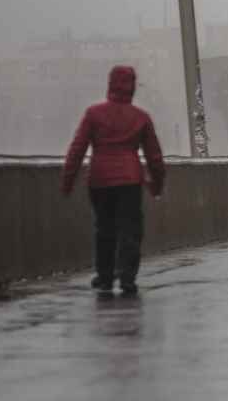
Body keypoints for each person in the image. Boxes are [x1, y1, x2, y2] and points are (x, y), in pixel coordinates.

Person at [60, 65, 165, 298]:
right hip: (130, 179)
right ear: (132, 86)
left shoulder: (93, 114)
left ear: (110, 84)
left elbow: (77, 149)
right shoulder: (140, 117)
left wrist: (68, 180)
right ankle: (127, 277)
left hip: (99, 180)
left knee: (104, 228)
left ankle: (105, 277)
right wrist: (156, 185)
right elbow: (154, 157)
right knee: (130, 229)